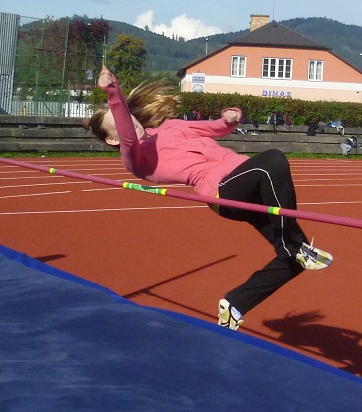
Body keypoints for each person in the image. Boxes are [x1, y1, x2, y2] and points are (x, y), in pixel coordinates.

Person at [87, 66, 331, 331]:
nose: (129, 121)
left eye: (126, 115)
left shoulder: (171, 127)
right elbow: (128, 136)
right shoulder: (136, 159)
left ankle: (235, 302)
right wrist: (113, 93)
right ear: (113, 140)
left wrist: (230, 117)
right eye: (119, 121)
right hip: (222, 192)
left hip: (247, 179)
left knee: (296, 258)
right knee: (273, 160)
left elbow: (214, 128)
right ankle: (291, 244)